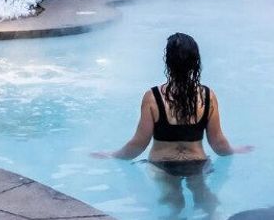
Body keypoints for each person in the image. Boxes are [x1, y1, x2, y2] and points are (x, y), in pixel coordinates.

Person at [93, 33, 252, 214]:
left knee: (173, 202)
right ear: (195, 62)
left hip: (162, 164)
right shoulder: (208, 96)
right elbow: (218, 143)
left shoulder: (153, 97)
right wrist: (233, 151)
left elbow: (138, 144)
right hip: (197, 163)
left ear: (168, 62)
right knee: (206, 199)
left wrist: (113, 155)